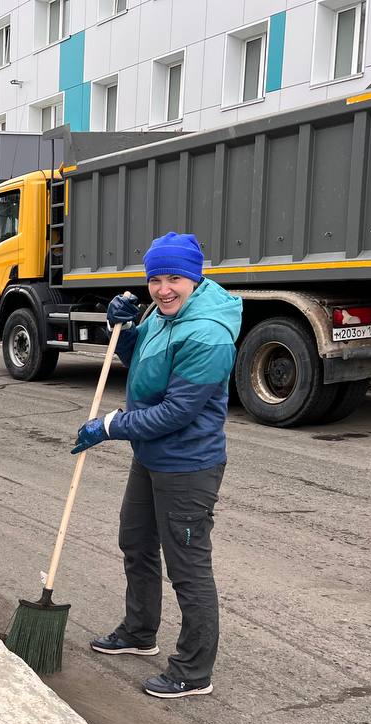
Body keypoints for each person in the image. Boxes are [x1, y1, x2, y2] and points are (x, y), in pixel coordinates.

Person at [72, 232, 242, 700]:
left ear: (195, 276)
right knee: (136, 541)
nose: (164, 288)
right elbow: (140, 364)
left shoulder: (207, 333)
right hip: (151, 458)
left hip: (188, 466)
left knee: (188, 567)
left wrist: (110, 425)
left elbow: (176, 412)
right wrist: (123, 331)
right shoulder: (164, 315)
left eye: (175, 279)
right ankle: (139, 632)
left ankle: (193, 671)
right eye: (156, 279)